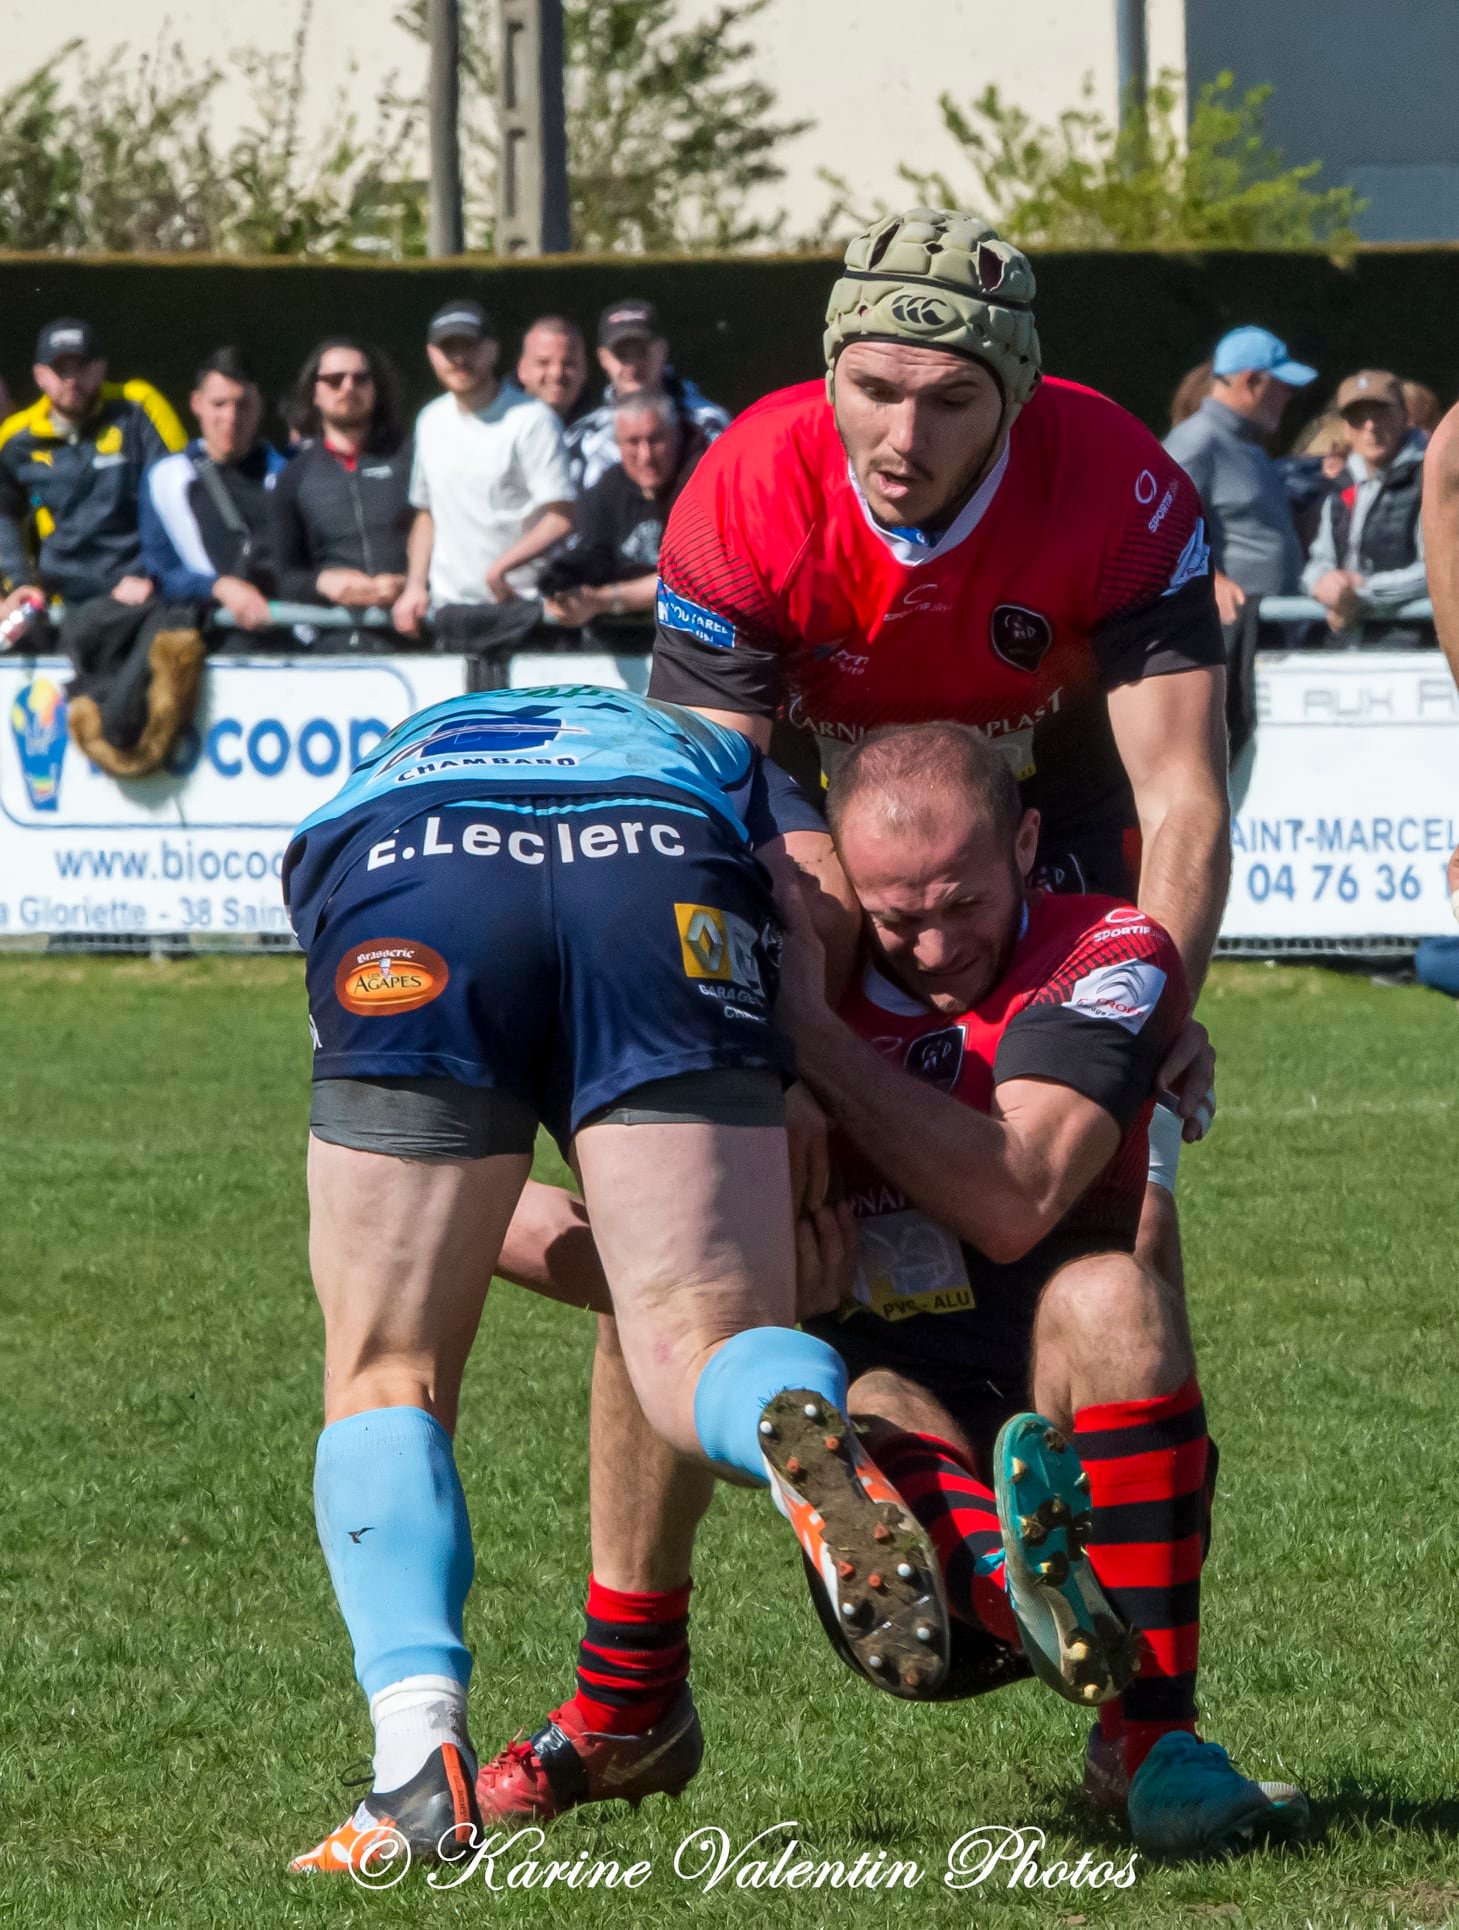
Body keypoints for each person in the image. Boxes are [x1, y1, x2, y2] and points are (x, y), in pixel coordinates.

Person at [474, 206, 1232, 1820]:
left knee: (1117, 1246)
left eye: (947, 399)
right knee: (684, 1218)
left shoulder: (1116, 483)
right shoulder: (751, 479)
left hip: (1052, 852)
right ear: (829, 377)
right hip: (823, 857)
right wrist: (778, 1051)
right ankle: (629, 1696)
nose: (900, 435)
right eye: (872, 390)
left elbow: (1177, 790)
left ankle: (1139, 1719)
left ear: (1011, 396)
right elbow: (703, 801)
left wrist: (1158, 996)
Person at [483, 723, 1310, 1862]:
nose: (932, 943)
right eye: (894, 917)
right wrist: (738, 1282)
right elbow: (566, 1232)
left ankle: (1153, 1740)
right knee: (834, 1390)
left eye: (962, 903)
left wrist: (811, 1044)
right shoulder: (745, 985)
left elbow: (1014, 1196)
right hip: (900, 1505)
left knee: (1111, 1299)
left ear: (1027, 842)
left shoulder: (1108, 948)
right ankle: (1018, 1592)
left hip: (1092, 1455)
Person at [282, 684, 960, 1874]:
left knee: (388, 1364)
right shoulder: (704, 745)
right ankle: (775, 1410)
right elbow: (811, 889)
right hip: (655, 870)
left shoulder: (401, 753)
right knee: (701, 1332)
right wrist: (794, 1071)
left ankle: (416, 1765)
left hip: (416, 870)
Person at [391, 299, 575, 644]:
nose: (459, 359)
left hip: (525, 609)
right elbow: (426, 514)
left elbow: (561, 516)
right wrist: (415, 586)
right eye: (448, 348)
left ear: (493, 350)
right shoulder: (430, 420)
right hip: (450, 611)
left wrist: (502, 568)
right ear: (431, 354)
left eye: (470, 346)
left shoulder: (532, 419)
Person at [0, 317, 185, 626]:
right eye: (61, 370)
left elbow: (182, 499)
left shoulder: (137, 408)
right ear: (40, 375)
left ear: (101, 367)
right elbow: (4, 513)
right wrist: (20, 582)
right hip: (62, 602)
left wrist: (158, 576)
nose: (72, 380)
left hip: (140, 593)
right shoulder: (16, 438)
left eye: (82, 366)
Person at [1164, 325, 1316, 629]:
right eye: (1282, 386)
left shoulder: (1249, 446)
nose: (1288, 396)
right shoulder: (1197, 440)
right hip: (1227, 630)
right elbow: (1157, 526)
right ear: (1251, 381)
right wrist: (1209, 578)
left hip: (1267, 624)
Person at [140, 346, 288, 638]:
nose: (231, 417)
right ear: (196, 403)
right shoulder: (165, 478)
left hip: (290, 640)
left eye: (243, 404)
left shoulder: (290, 473)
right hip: (206, 642)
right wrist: (218, 587)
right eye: (219, 404)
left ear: (259, 404)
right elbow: (160, 572)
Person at [538, 390, 706, 647]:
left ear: (677, 436)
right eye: (633, 442)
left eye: (655, 440)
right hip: (622, 638)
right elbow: (595, 553)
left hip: (689, 634)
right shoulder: (610, 486)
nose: (645, 456)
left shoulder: (700, 483)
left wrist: (604, 600)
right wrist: (564, 581)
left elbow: (690, 577)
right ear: (617, 444)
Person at [269, 339, 412, 616]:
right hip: (336, 636)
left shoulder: (409, 459)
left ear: (375, 388)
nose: (349, 387)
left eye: (361, 379)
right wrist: (323, 583)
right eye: (335, 380)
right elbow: (283, 577)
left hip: (412, 630)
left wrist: (410, 583)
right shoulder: (293, 476)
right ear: (314, 392)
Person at [1300, 370, 1431, 647]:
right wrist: (1323, 585)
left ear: (1404, 417)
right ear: (1345, 429)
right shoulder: (1339, 487)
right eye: (1357, 418)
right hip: (1346, 647)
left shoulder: (1427, 481)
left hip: (1414, 646)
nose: (1370, 427)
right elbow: (1319, 560)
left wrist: (1362, 589)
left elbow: (1436, 571)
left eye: (1381, 414)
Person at [566, 299, 730, 491]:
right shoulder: (580, 437)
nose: (633, 366)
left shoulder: (708, 423)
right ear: (603, 358)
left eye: (641, 352)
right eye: (622, 355)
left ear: (662, 349)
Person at [516, 315, 591, 428]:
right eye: (544, 363)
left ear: (584, 370)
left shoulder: (608, 429)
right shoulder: (496, 427)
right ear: (522, 369)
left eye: (568, 363)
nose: (557, 373)